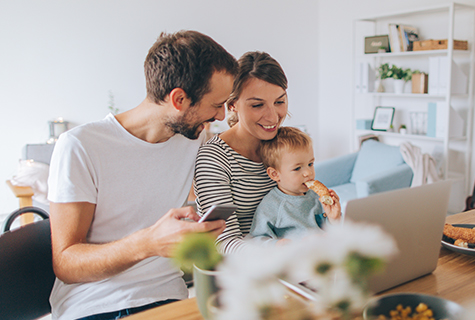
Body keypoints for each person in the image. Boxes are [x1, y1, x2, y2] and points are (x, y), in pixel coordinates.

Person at [47, 30, 238, 320]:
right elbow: (66, 263)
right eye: (216, 105)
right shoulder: (81, 146)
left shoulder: (193, 140)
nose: (221, 115)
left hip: (171, 301)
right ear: (179, 99)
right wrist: (149, 243)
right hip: (97, 305)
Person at [194, 51, 288, 254]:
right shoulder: (214, 158)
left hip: (293, 263)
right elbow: (224, 242)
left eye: (279, 102)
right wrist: (278, 250)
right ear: (232, 105)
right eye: (257, 105)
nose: (273, 117)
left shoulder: (286, 145)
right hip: (245, 271)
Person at [248, 126, 341, 245]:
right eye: (297, 168)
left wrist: (334, 219)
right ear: (275, 174)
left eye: (310, 164)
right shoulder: (271, 205)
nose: (308, 172)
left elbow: (331, 232)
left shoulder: (315, 197)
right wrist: (276, 245)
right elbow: (256, 239)